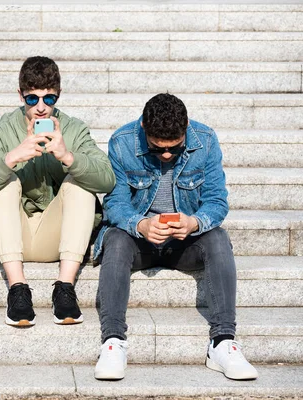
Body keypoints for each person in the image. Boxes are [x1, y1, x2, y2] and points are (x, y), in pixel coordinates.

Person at [93, 93, 258, 381]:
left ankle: (222, 342)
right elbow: (115, 203)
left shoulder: (205, 140)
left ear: (186, 128)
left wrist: (194, 222)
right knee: (116, 239)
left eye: (176, 148)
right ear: (144, 127)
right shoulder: (122, 142)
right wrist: (141, 224)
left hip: (185, 242)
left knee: (218, 238)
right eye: (158, 150)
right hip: (140, 240)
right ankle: (113, 341)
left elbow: (217, 201)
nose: (167, 155)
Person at [0, 56, 115, 327]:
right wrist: (11, 158)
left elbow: (106, 181)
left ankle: (65, 288)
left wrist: (68, 157)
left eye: (49, 99)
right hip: (9, 235)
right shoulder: (1, 129)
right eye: (32, 99)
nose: (42, 108)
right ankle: (18, 289)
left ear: (59, 95)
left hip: (57, 237)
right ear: (20, 95)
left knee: (78, 183)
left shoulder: (73, 128)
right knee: (5, 181)